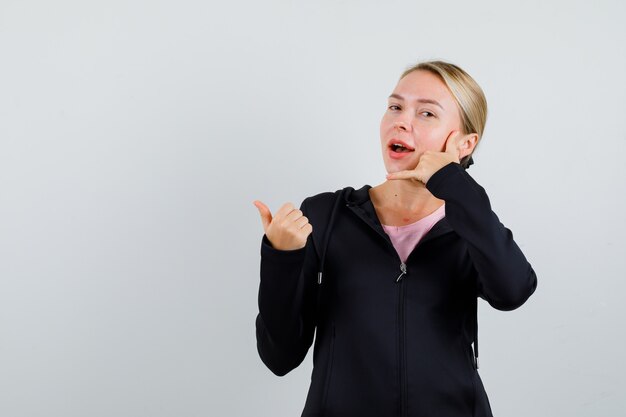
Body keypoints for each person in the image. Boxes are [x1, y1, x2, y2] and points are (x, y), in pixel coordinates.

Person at [252, 60, 538, 417]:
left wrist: (455, 187)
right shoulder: (328, 216)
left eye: (427, 114)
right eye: (395, 106)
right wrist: (283, 258)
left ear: (465, 143)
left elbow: (513, 291)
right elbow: (279, 357)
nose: (401, 121)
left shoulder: (472, 226)